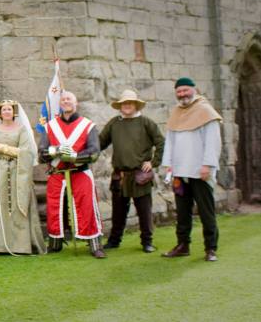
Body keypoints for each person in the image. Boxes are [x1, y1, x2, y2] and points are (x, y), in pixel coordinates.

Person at [161, 77, 222, 262]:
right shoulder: (176, 112)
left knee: (206, 211)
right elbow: (170, 141)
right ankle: (183, 245)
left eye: (185, 90)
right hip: (180, 171)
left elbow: (212, 142)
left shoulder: (206, 111)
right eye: (179, 91)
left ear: (194, 89)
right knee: (182, 212)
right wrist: (169, 165)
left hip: (200, 171)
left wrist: (207, 165)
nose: (182, 94)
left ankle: (211, 248)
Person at [39, 91, 106, 259]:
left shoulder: (88, 125)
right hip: (57, 173)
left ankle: (95, 245)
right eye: (63, 99)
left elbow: (94, 152)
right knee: (54, 208)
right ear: (60, 104)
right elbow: (41, 154)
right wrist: (55, 151)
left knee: (87, 207)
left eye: (69, 99)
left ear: (76, 103)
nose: (66, 101)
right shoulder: (50, 126)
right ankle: (55, 244)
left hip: (80, 172)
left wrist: (75, 156)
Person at [99, 90, 165, 253]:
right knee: (118, 211)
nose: (127, 105)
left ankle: (147, 242)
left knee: (144, 211)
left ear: (136, 105)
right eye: (124, 103)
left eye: (130, 102)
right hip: (120, 175)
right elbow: (99, 142)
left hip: (139, 175)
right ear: (120, 106)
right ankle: (114, 241)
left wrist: (153, 162)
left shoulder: (146, 123)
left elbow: (161, 142)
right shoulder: (114, 123)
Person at [0, 100, 46, 255]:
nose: (7, 112)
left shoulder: (22, 130)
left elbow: (26, 152)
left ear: (14, 111)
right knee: (0, 206)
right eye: (4, 109)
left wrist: (2, 147)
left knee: (17, 206)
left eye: (9, 109)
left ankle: (21, 246)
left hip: (18, 173)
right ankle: (0, 246)